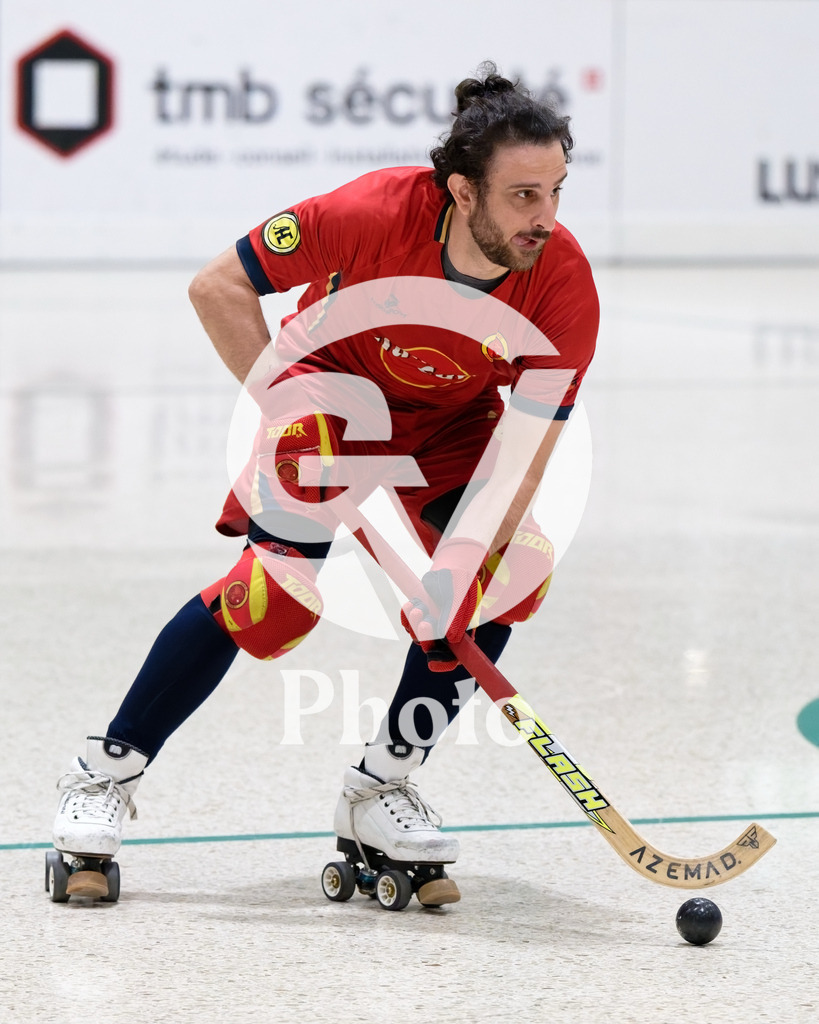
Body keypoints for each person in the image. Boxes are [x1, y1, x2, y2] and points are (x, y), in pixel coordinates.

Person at [50, 62, 599, 906]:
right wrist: (282, 402)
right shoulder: (372, 213)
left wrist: (458, 569)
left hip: (451, 423)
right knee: (272, 600)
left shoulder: (560, 281)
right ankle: (103, 773)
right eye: (523, 195)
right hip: (326, 393)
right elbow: (217, 287)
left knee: (502, 579)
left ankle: (379, 788)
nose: (545, 218)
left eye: (556, 191)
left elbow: (523, 456)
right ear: (461, 191)